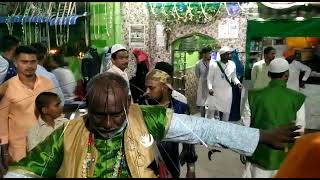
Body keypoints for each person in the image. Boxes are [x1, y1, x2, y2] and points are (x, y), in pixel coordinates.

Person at [1, 72, 302, 178]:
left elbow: (203, 129)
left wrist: (259, 135)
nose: (108, 123)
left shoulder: (146, 116)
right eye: (99, 115)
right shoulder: (69, 132)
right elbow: (25, 170)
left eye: (115, 114)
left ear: (128, 105)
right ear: (86, 108)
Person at [243, 58, 306, 178]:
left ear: (268, 74)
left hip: (258, 156)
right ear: (286, 75)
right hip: (285, 157)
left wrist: (244, 150)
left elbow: (245, 126)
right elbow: (300, 131)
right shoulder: (297, 98)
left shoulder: (253, 96)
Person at [0, 46, 54, 162]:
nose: (29, 66)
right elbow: (2, 120)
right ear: (15, 63)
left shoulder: (47, 84)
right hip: (18, 150)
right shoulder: (7, 87)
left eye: (33, 62)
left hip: (45, 145)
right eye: (24, 62)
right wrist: (4, 151)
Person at [144, 68, 197, 178]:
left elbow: (189, 139)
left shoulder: (180, 108)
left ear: (164, 87)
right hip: (145, 167)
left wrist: (191, 167)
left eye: (151, 88)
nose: (147, 92)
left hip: (171, 166)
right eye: (146, 87)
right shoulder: (143, 107)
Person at [206, 46, 242, 121]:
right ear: (222, 55)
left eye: (230, 54)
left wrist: (238, 83)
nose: (230, 55)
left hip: (227, 92)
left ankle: (224, 126)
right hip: (215, 92)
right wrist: (210, 88)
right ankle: (209, 127)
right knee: (211, 111)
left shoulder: (232, 64)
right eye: (228, 54)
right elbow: (209, 78)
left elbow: (234, 77)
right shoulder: (214, 65)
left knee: (226, 111)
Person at [195, 46, 211, 117]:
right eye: (208, 53)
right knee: (202, 103)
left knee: (211, 102)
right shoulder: (198, 64)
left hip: (211, 84)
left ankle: (211, 118)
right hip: (202, 84)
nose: (210, 55)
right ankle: (202, 118)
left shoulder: (213, 63)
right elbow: (197, 75)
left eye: (210, 53)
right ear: (204, 54)